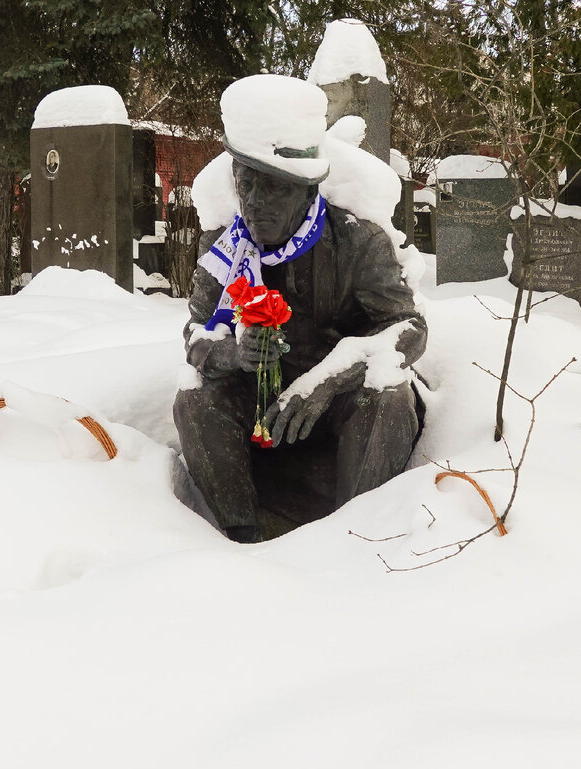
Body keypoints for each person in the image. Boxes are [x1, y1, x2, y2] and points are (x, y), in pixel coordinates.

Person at [173, 75, 426, 544]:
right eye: (247, 186)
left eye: (274, 191)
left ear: (308, 192)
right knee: (195, 400)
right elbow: (197, 332)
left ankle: (354, 542)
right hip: (262, 400)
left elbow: (408, 327)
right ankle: (242, 539)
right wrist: (234, 354)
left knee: (387, 398)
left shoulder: (356, 240)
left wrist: (329, 380)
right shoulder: (226, 245)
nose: (254, 205)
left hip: (337, 405)